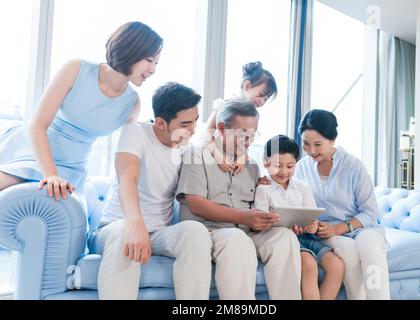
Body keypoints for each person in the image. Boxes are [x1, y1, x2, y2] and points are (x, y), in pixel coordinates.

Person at [0, 21, 163, 201]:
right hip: (32, 152)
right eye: (149, 60)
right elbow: (37, 125)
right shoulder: (76, 68)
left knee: (67, 219)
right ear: (130, 50)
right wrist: (51, 175)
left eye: (156, 63)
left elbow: (126, 156)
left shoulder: (133, 103)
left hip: (72, 169)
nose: (153, 70)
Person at [88, 82, 213, 300]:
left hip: (158, 233)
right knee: (123, 234)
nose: (192, 130)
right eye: (185, 124)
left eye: (195, 121)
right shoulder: (135, 132)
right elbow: (128, 178)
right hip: (116, 225)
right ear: (161, 123)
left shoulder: (187, 149)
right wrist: (135, 226)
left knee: (195, 232)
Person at [176, 99, 302, 300]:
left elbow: (256, 209)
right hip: (210, 231)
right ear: (221, 128)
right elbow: (196, 204)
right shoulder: (196, 154)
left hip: (246, 232)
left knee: (284, 238)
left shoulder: (252, 166)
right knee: (237, 240)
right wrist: (245, 217)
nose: (248, 141)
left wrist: (279, 220)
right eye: (242, 135)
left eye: (252, 135)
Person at [295, 109, 390, 300]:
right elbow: (297, 205)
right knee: (347, 250)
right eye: (306, 144)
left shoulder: (353, 166)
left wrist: (340, 227)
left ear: (333, 140)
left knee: (369, 245)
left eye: (318, 144)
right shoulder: (301, 168)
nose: (311, 150)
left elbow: (370, 212)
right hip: (322, 231)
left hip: (360, 227)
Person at [254, 135, 344, 300]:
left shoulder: (302, 188)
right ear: (266, 163)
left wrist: (312, 226)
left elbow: (312, 218)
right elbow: (259, 224)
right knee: (309, 264)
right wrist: (286, 228)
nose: (284, 172)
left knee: (337, 266)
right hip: (284, 241)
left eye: (290, 166)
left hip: (306, 237)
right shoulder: (263, 188)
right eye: (278, 166)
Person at [200, 61, 278, 174]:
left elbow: (245, 141)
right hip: (213, 152)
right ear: (247, 86)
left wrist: (243, 156)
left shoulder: (253, 117)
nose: (262, 101)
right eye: (261, 95)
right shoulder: (225, 105)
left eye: (266, 99)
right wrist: (218, 156)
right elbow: (207, 133)